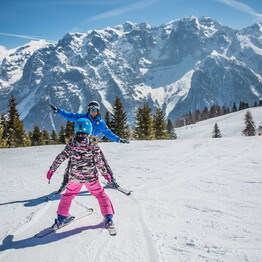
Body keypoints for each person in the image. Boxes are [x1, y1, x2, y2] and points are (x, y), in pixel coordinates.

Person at [46, 118, 115, 229]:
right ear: (89, 129)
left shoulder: (71, 143)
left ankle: (61, 219)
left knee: (68, 195)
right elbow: (99, 161)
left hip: (75, 178)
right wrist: (105, 174)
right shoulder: (93, 144)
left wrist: (52, 170)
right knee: (100, 195)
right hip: (91, 178)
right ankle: (108, 218)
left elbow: (61, 157)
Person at [48, 101, 130, 144]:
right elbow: (69, 116)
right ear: (89, 110)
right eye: (91, 109)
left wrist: (119, 140)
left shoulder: (100, 123)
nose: (93, 111)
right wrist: (58, 111)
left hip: (92, 143)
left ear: (98, 111)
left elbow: (108, 134)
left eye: (95, 110)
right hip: (80, 141)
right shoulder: (83, 117)